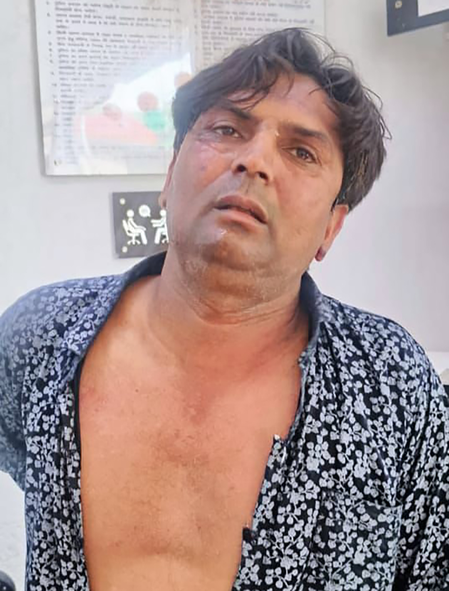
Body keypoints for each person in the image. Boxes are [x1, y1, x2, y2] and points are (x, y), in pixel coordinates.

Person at [1, 28, 448, 591]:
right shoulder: (43, 335)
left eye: (302, 151)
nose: (254, 159)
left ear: (331, 227)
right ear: (169, 176)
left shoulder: (390, 385)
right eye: (227, 129)